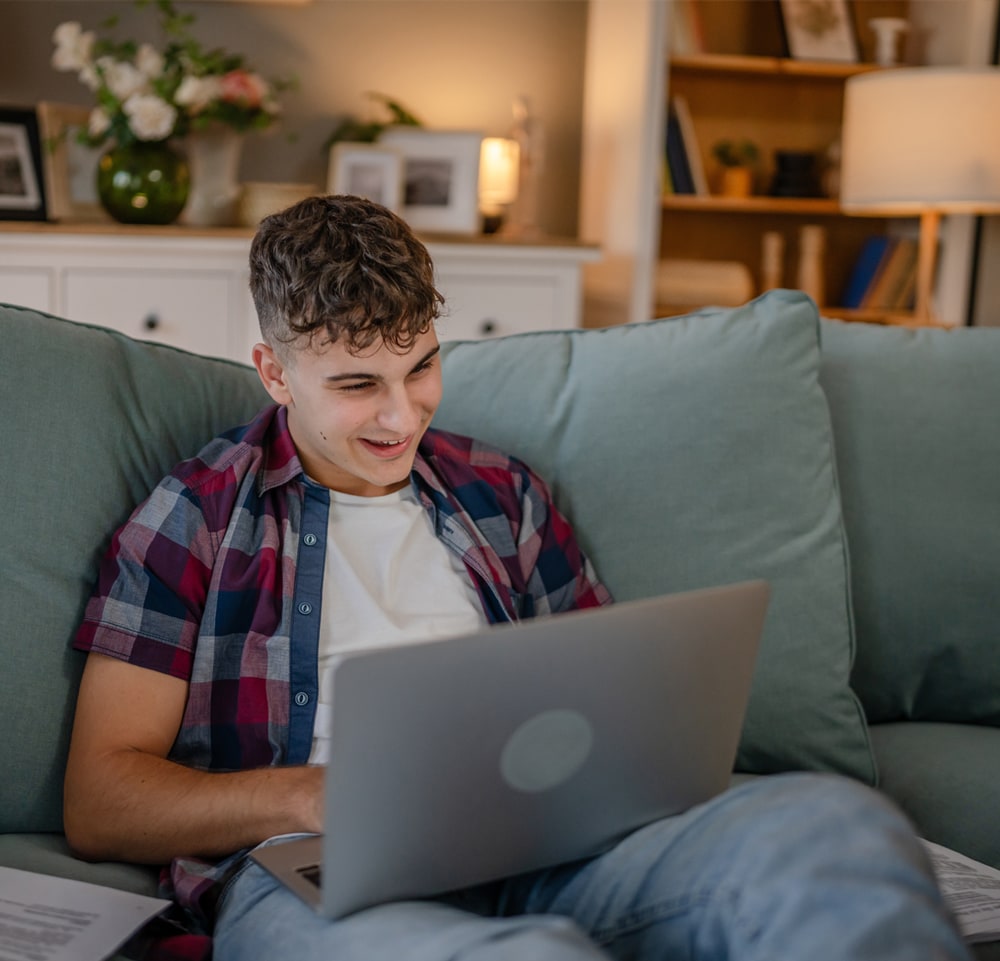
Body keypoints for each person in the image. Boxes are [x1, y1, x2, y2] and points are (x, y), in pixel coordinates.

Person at [64, 195, 971, 961]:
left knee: (842, 830)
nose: (399, 414)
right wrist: (312, 790)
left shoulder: (501, 494)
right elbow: (101, 801)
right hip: (314, 871)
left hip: (554, 846)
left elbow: (610, 697)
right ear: (273, 373)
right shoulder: (197, 516)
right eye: (355, 384)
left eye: (421, 366)